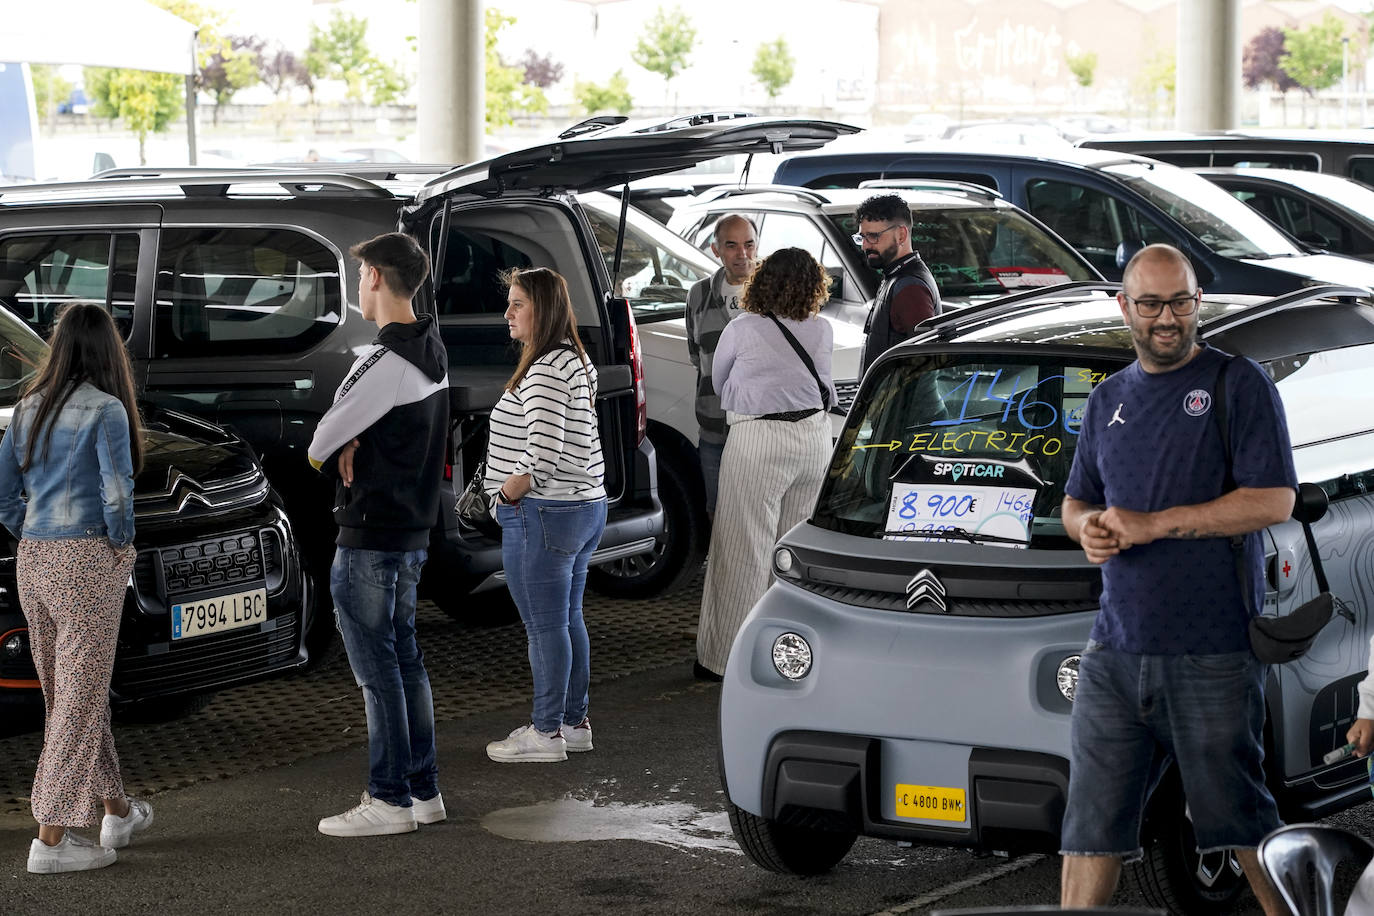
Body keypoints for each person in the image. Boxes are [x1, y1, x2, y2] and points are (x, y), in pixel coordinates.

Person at [1058, 243, 1294, 915]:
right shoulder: (1106, 399)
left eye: (1182, 302)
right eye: (1152, 304)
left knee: (1242, 822)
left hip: (1212, 650)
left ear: (1198, 301)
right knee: (1089, 830)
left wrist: (1156, 524)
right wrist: (1088, 528)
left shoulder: (1237, 384)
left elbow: (1273, 499)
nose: (1168, 318)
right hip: (1114, 650)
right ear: (1124, 307)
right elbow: (1076, 502)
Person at [0, 303, 151, 873]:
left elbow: (2, 491)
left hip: (34, 558)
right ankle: (51, 840)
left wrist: (31, 530)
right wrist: (121, 544)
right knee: (77, 701)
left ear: (59, 346)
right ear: (109, 350)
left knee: (71, 695)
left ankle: (117, 813)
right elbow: (118, 493)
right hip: (87, 559)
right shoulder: (106, 409)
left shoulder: (28, 406)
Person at [308, 232, 449, 836]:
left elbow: (318, 444)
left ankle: (388, 799)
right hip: (411, 532)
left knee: (378, 672)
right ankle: (423, 790)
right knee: (405, 660)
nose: (357, 283)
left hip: (369, 535)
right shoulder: (430, 349)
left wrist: (346, 440)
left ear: (373, 277)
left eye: (360, 272)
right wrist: (356, 436)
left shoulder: (384, 360)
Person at [484, 267, 608, 763]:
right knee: (566, 618)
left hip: (546, 512)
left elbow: (542, 454)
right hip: (583, 506)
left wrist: (504, 494)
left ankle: (546, 732)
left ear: (545, 309)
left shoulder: (544, 371)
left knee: (544, 626)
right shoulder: (574, 359)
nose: (507, 313)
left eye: (518, 304)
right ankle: (573, 723)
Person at [695, 247, 836, 680]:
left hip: (759, 438)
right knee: (793, 556)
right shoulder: (823, 328)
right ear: (813, 286)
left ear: (763, 282)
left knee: (743, 550)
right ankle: (788, 659)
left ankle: (725, 662)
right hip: (814, 439)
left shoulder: (742, 328)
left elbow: (718, 381)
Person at [684, 214, 758, 521]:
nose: (743, 254)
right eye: (732, 245)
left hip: (760, 430)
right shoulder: (699, 294)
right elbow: (696, 354)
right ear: (716, 250)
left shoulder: (774, 294)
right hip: (713, 429)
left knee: (756, 516)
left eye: (749, 244)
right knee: (717, 515)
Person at [855, 193, 941, 375]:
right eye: (862, 237)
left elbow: (926, 362)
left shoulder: (910, 287)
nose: (865, 246)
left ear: (901, 235)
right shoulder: (896, 277)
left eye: (873, 236)